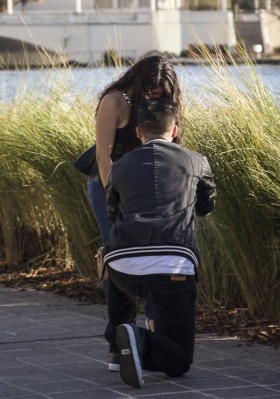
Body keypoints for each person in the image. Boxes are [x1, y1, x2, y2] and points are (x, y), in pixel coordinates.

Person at [101, 98, 216, 389]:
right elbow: (206, 206)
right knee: (177, 364)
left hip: (123, 268)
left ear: (138, 132)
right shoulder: (197, 161)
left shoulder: (120, 166)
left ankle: (119, 342)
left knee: (113, 257)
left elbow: (113, 214)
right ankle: (137, 340)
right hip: (172, 268)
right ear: (175, 130)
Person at [87, 53, 182, 365]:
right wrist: (116, 203)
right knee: (118, 258)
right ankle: (121, 340)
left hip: (147, 188)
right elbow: (103, 159)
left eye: (163, 94)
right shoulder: (114, 102)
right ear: (139, 80)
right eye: (152, 90)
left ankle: (157, 339)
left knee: (157, 255)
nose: (156, 96)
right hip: (108, 186)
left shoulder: (160, 102)